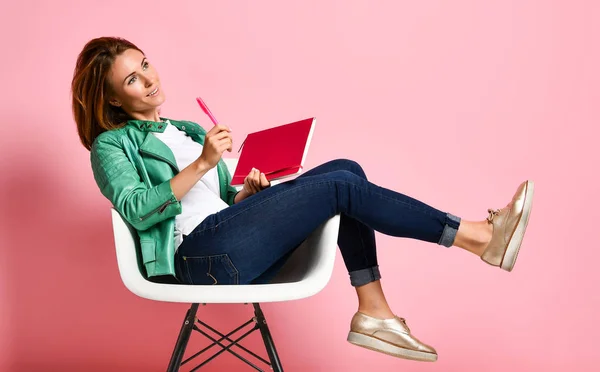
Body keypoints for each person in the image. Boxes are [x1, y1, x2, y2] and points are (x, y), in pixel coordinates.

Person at [72, 37, 534, 363]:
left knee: (345, 170)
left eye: (145, 64)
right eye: (132, 79)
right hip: (197, 258)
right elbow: (135, 207)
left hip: (227, 240)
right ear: (112, 100)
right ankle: (476, 238)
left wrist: (245, 195)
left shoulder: (186, 129)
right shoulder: (111, 147)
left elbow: (215, 204)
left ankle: (373, 309)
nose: (148, 80)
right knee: (340, 188)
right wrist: (201, 164)